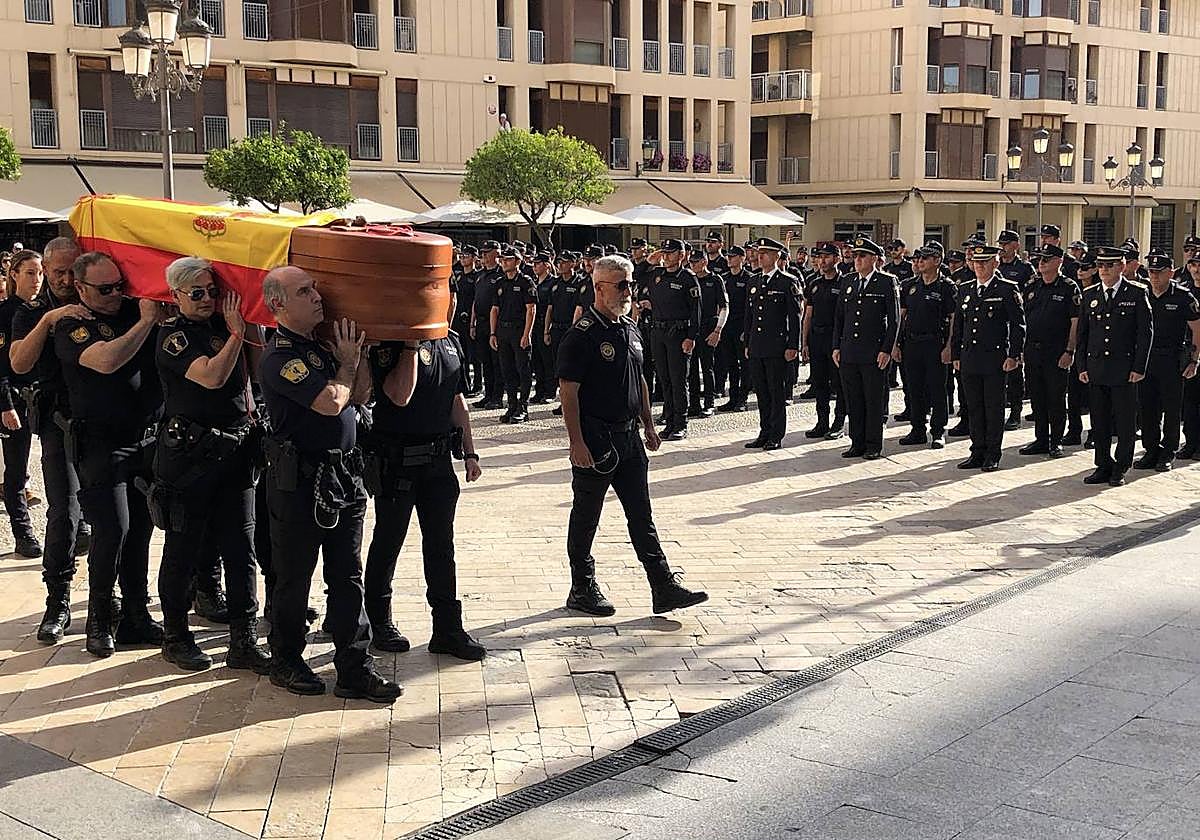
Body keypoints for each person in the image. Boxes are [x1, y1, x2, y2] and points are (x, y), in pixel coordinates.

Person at [258, 265, 402, 701]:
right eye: (304, 292)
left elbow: (360, 395)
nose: (317, 297)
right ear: (278, 304)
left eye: (315, 289)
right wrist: (348, 363)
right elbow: (330, 401)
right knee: (294, 577)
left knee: (347, 574)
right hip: (300, 482)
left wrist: (357, 356)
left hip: (344, 476)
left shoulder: (322, 348)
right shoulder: (280, 356)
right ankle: (286, 659)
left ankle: (354, 666)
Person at [557, 255, 707, 616]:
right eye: (621, 285)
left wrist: (648, 423)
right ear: (599, 288)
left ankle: (662, 585)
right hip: (596, 439)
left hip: (629, 439)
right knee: (586, 515)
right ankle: (581, 587)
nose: (629, 291)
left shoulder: (629, 327)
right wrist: (576, 442)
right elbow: (568, 392)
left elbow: (638, 377)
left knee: (641, 515)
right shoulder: (582, 336)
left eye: (630, 284)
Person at [150, 257, 271, 673]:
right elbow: (211, 376)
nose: (207, 299)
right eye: (197, 293)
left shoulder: (228, 323)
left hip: (236, 452)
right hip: (190, 457)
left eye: (213, 291)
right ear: (176, 295)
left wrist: (249, 325)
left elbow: (259, 372)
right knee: (183, 549)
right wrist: (237, 333)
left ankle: (244, 639)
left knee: (241, 550)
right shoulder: (173, 336)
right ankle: (175, 637)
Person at [56, 252, 165, 657]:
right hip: (102, 446)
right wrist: (146, 323)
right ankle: (99, 619)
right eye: (105, 289)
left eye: (120, 285)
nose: (116, 294)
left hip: (145, 441)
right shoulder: (73, 325)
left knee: (140, 531)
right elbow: (106, 361)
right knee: (112, 530)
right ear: (81, 288)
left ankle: (136, 614)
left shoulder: (134, 311)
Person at [362, 326, 486, 661]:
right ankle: (379, 623)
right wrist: (410, 345)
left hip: (438, 463)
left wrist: (470, 452)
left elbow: (456, 399)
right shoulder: (390, 340)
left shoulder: (450, 339)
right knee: (389, 541)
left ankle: (447, 628)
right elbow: (399, 395)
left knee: (441, 547)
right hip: (397, 462)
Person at [10, 238, 92, 644]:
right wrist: (48, 320)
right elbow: (18, 362)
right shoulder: (30, 312)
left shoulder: (99, 303)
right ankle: (57, 601)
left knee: (111, 517)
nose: (64, 279)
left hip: (101, 424)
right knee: (65, 513)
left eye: (71, 271)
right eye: (56, 272)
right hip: (58, 425)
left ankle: (110, 599)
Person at [1077, 247, 1153, 487]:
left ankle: (1121, 466)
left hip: (1124, 369)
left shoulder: (1136, 293)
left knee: (1124, 422)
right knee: (1099, 421)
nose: (1104, 270)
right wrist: (1082, 366)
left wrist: (1139, 367)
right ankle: (1102, 464)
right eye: (1100, 265)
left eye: (1109, 265)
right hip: (1097, 367)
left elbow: (1145, 334)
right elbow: (1083, 335)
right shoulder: (1090, 294)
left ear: (1122, 266)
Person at [951, 245, 1025, 472]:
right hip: (970, 357)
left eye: (985, 262)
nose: (980, 266)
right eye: (976, 262)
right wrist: (956, 354)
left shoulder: (1006, 289)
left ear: (996, 263)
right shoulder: (965, 289)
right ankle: (977, 451)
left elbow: (1018, 325)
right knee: (973, 407)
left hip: (994, 358)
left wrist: (1014, 355)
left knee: (993, 408)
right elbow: (959, 325)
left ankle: (993, 453)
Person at [832, 237, 898, 460]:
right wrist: (836, 346)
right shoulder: (848, 281)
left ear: (874, 259)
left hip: (873, 351)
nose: (857, 260)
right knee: (854, 399)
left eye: (862, 256)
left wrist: (887, 349)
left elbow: (894, 320)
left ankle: (873, 444)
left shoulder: (886, 282)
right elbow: (839, 317)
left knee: (873, 399)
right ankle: (857, 442)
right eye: (855, 256)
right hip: (850, 350)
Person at [1135, 250, 1200, 472]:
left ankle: (1168, 452)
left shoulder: (1183, 297)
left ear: (1170, 273)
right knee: (1147, 407)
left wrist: (1194, 360)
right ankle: (1150, 450)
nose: (1154, 276)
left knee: (1171, 409)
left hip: (1172, 360)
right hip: (1146, 359)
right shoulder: (1142, 294)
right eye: (1151, 271)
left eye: (1159, 272)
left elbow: (1197, 329)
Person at [0, 251, 44, 559]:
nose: (37, 280)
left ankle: (78, 526)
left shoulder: (47, 310)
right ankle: (23, 533)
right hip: (15, 398)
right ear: (14, 275)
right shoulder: (5, 313)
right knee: (16, 471)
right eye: (30, 273)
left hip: (44, 397)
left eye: (40, 273)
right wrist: (5, 405)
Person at [1018, 244, 1080, 459]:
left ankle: (1056, 441)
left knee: (1055, 398)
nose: (1041, 263)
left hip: (1056, 352)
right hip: (1033, 350)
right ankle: (1041, 439)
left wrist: (1069, 351)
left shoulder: (1069, 287)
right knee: (1037, 398)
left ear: (1059, 261)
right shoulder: (1032, 286)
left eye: (1046, 259)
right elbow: (1022, 319)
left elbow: (1075, 322)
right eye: (1040, 259)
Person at [895, 246, 957, 449]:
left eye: (925, 258)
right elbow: (901, 318)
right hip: (912, 343)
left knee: (937, 388)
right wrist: (896, 344)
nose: (920, 262)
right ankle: (917, 429)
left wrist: (949, 346)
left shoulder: (946, 287)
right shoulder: (909, 285)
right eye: (918, 258)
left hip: (935, 343)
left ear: (937, 260)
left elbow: (954, 319)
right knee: (914, 388)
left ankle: (938, 431)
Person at [744, 238, 802, 450]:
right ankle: (764, 431)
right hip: (758, 345)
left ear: (777, 256)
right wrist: (748, 342)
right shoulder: (754, 281)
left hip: (777, 346)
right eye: (759, 253)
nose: (760, 257)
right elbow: (749, 316)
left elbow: (795, 317)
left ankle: (776, 435)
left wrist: (793, 345)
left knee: (776, 392)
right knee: (761, 392)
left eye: (765, 253)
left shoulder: (787, 282)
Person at [642, 239, 701, 441]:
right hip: (658, 332)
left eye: (670, 253)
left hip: (678, 334)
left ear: (681, 255)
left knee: (678, 381)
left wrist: (691, 337)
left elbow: (696, 311)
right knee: (664, 380)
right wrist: (653, 258)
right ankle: (669, 421)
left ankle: (680, 424)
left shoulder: (687, 278)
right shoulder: (657, 275)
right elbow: (640, 271)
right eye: (664, 253)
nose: (666, 256)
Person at [801, 243, 844, 439]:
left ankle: (838, 423)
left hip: (836, 339)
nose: (822, 260)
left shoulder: (845, 283)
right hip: (817, 338)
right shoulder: (814, 283)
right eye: (820, 257)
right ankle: (822, 422)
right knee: (819, 384)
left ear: (837, 259)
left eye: (827, 256)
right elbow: (808, 315)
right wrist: (804, 343)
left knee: (839, 384)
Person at [489, 247, 536, 423]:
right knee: (506, 369)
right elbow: (494, 309)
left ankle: (523, 407)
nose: (504, 263)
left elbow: (531, 309)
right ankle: (511, 405)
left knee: (523, 369)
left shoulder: (525, 282)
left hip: (519, 330)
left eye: (508, 260)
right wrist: (493, 333)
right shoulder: (500, 282)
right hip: (503, 330)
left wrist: (526, 334)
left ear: (517, 261)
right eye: (502, 260)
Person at [686, 250, 728, 418]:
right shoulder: (689, 279)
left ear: (704, 262)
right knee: (692, 369)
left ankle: (709, 403)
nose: (692, 265)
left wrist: (718, 330)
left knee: (707, 367)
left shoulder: (715, 280)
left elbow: (724, 306)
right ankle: (694, 404)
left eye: (695, 262)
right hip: (692, 327)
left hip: (708, 326)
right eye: (691, 262)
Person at [1066, 251, 1098, 447]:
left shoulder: (1098, 292)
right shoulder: (1077, 291)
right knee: (1073, 395)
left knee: (1095, 397)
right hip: (1079, 349)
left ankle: (1095, 433)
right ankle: (1074, 431)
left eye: (1085, 268)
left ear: (1094, 270)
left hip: (1096, 351)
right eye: (1079, 267)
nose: (1080, 271)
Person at [717, 245, 751, 413]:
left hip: (742, 327)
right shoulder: (724, 279)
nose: (729, 259)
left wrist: (747, 330)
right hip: (727, 327)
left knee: (744, 365)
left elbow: (751, 307)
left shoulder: (749, 279)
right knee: (730, 364)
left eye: (733, 256)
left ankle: (742, 399)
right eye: (728, 256)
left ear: (742, 258)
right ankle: (733, 398)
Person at [470, 242, 503, 410]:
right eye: (482, 252)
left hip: (495, 323)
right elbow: (476, 300)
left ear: (496, 253)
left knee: (497, 362)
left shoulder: (501, 274)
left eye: (487, 252)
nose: (483, 255)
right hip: (481, 322)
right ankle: (488, 395)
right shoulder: (480, 275)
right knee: (485, 362)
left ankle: (497, 397)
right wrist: (472, 323)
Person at [530, 252, 558, 404]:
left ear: (547, 265)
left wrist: (547, 329)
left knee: (548, 360)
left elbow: (551, 307)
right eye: (533, 264)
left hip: (545, 323)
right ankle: (539, 390)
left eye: (537, 263)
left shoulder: (553, 283)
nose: (534, 266)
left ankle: (550, 391)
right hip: (534, 324)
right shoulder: (533, 282)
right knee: (536, 360)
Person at [453, 245, 480, 394]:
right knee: (460, 354)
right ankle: (464, 384)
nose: (463, 259)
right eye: (461, 256)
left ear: (474, 258)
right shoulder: (458, 275)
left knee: (474, 356)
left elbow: (477, 300)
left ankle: (477, 385)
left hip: (471, 319)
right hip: (458, 320)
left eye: (466, 256)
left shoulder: (477, 277)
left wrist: (473, 322)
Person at [1181, 252, 1200, 459]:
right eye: (1193, 265)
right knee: (1189, 401)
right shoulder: (1184, 291)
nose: (1196, 269)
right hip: (1189, 352)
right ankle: (1190, 442)